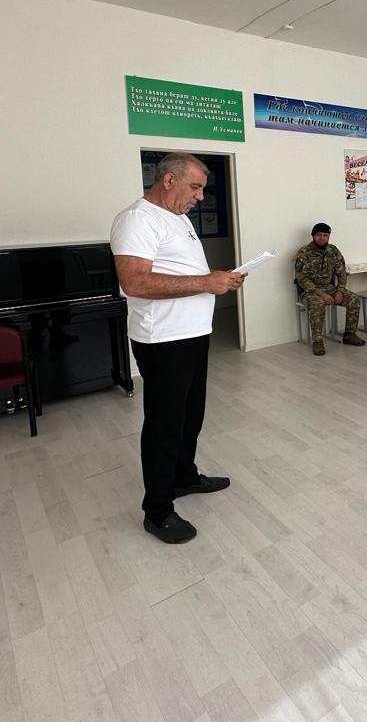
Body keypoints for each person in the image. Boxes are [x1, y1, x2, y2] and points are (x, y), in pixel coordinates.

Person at [110, 152, 244, 544]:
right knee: (165, 425)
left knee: (190, 415)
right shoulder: (137, 220)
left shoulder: (178, 217)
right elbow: (135, 283)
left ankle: (184, 476)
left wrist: (219, 280)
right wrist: (207, 283)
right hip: (163, 341)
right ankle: (157, 511)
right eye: (195, 187)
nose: (200, 196)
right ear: (169, 180)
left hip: (193, 335)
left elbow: (184, 273)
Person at [294, 223, 366, 356]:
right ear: (313, 236)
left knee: (354, 299)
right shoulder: (304, 252)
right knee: (318, 303)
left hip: (330, 288)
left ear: (329, 237)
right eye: (319, 235)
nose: (322, 238)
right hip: (309, 291)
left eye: (325, 235)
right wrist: (321, 294)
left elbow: (342, 273)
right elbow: (301, 278)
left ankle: (350, 334)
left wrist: (340, 291)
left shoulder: (333, 251)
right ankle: (317, 341)